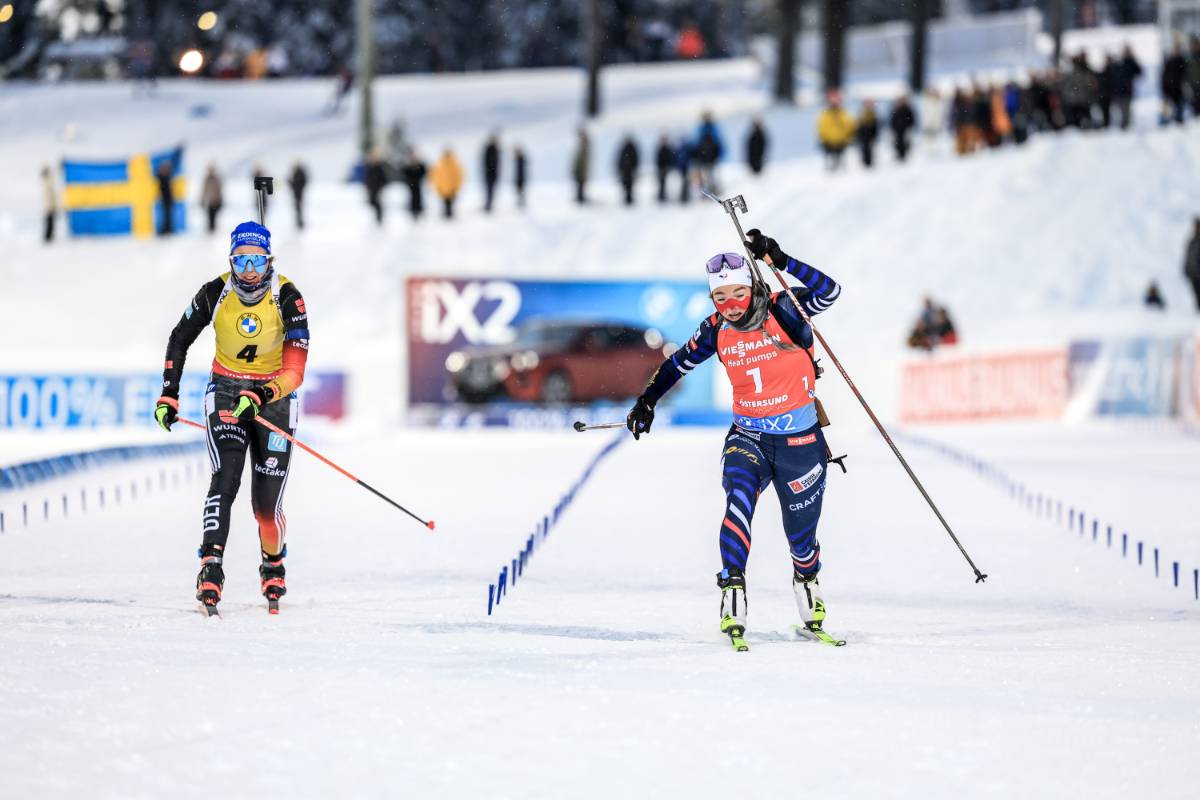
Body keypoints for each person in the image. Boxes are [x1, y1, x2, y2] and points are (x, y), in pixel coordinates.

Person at [625, 230, 842, 651]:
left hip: (800, 443)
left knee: (801, 537)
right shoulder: (715, 329)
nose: (730, 305)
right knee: (738, 500)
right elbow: (676, 364)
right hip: (749, 437)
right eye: (720, 298)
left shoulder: (786, 308)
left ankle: (807, 578)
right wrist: (647, 400)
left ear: (754, 286)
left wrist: (782, 260)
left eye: (738, 292)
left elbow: (830, 292)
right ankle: (733, 593)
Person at [153, 221, 309, 614]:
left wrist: (262, 393)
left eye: (257, 260)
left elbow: (295, 372)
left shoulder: (287, 296)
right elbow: (179, 337)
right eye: (242, 262)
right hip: (225, 391)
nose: (250, 271)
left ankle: (273, 563)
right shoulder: (215, 292)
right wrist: (169, 393)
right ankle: (211, 565)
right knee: (225, 478)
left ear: (269, 260)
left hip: (274, 397)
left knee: (265, 510)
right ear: (231, 262)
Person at [817, 89, 856, 171]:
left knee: (840, 160)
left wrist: (849, 137)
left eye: (836, 99)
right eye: (832, 99)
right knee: (830, 160)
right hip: (829, 142)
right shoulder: (826, 114)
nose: (834, 101)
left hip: (841, 141)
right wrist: (823, 138)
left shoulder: (843, 113)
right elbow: (821, 127)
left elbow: (849, 126)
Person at [1112, 44, 1143, 130]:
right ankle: (1123, 127)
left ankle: (1125, 127)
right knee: (1122, 111)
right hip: (1119, 91)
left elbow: (1139, 72)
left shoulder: (1131, 62)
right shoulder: (1119, 62)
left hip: (1127, 91)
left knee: (1126, 111)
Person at [693, 111, 724, 194]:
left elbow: (719, 144)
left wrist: (718, 155)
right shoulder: (701, 129)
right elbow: (697, 144)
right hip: (704, 158)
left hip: (712, 157)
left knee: (713, 176)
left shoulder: (714, 128)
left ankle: (715, 191)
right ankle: (707, 193)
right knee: (705, 176)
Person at [430, 147, 464, 219]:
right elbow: (435, 176)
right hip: (443, 187)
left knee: (450, 202)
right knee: (445, 202)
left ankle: (449, 214)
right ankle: (447, 214)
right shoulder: (440, 164)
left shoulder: (454, 164)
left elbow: (459, 176)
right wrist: (437, 187)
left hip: (452, 187)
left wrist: (457, 187)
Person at [1162, 44, 1188, 125]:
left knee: (1179, 107)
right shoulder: (1169, 61)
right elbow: (1164, 76)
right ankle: (1165, 123)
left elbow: (1185, 75)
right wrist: (1164, 87)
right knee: (1167, 109)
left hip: (1179, 89)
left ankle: (1179, 121)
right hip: (1169, 89)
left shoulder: (1182, 60)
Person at [401, 148, 427, 221]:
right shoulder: (408, 164)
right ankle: (413, 211)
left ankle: (419, 210)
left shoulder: (419, 164)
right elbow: (404, 173)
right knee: (412, 197)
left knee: (418, 197)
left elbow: (423, 171)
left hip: (417, 183)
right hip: (411, 184)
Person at [889, 95, 916, 162]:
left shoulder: (908, 109)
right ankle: (899, 155)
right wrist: (893, 127)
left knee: (906, 142)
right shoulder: (895, 109)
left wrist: (909, 127)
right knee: (897, 142)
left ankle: (905, 155)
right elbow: (892, 120)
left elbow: (911, 120)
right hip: (897, 130)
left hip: (905, 129)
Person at [364, 151, 387, 225]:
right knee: (372, 203)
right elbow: (367, 179)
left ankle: (379, 219)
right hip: (371, 189)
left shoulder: (379, 168)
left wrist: (381, 188)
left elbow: (383, 180)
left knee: (378, 204)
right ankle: (375, 219)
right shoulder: (369, 168)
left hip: (378, 189)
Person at [616, 135, 639, 206]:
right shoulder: (623, 148)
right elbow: (620, 159)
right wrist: (619, 168)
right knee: (625, 184)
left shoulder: (632, 148)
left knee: (630, 185)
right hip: (624, 170)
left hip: (630, 170)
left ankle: (629, 199)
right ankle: (626, 198)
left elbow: (635, 159)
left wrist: (634, 168)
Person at [855, 99, 879, 168]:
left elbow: (875, 127)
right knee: (865, 149)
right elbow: (859, 126)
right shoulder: (862, 114)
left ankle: (870, 163)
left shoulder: (873, 114)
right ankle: (865, 163)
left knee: (870, 149)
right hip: (864, 136)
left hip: (870, 136)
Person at [201, 164, 223, 234]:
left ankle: (213, 228)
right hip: (209, 201)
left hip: (216, 200)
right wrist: (202, 199)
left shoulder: (216, 178)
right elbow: (204, 190)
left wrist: (220, 199)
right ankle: (210, 228)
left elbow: (219, 189)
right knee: (210, 214)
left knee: (214, 214)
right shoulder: (207, 179)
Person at [1184, 217, 1200, 311]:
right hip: (1193, 274)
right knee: (1197, 295)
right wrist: (1186, 269)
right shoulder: (1192, 241)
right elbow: (1188, 256)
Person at [482, 133, 500, 213]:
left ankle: (489, 204)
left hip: (493, 173)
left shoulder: (496, 149)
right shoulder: (489, 149)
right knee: (489, 190)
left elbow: (497, 163)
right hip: (489, 173)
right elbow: (487, 162)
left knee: (492, 190)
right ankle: (488, 204)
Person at [571, 127, 590, 205]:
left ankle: (580, 199)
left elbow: (582, 161)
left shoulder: (584, 146)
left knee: (580, 185)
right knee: (579, 186)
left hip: (581, 171)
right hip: (580, 171)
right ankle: (580, 199)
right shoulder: (583, 146)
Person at [288, 161, 308, 230]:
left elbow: (302, 182)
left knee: (299, 208)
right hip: (296, 193)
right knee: (297, 208)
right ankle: (299, 222)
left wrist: (294, 183)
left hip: (299, 193)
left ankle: (300, 223)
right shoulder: (295, 173)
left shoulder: (300, 173)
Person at [157, 160, 174, 235]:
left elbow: (171, 169)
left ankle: (168, 229)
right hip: (164, 199)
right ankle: (165, 229)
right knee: (165, 215)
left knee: (168, 215)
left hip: (168, 199)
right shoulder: (161, 177)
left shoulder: (167, 177)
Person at [41, 165, 57, 244]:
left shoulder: (46, 182)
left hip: (49, 207)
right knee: (49, 224)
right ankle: (48, 238)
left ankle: (49, 237)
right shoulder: (47, 182)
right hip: (49, 207)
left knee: (50, 224)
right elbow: (52, 177)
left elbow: (52, 176)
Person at [655, 135, 673, 203]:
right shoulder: (660, 148)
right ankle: (661, 196)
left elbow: (669, 159)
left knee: (665, 183)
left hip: (665, 168)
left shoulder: (667, 149)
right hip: (661, 168)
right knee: (661, 183)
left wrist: (667, 167)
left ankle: (664, 196)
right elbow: (658, 159)